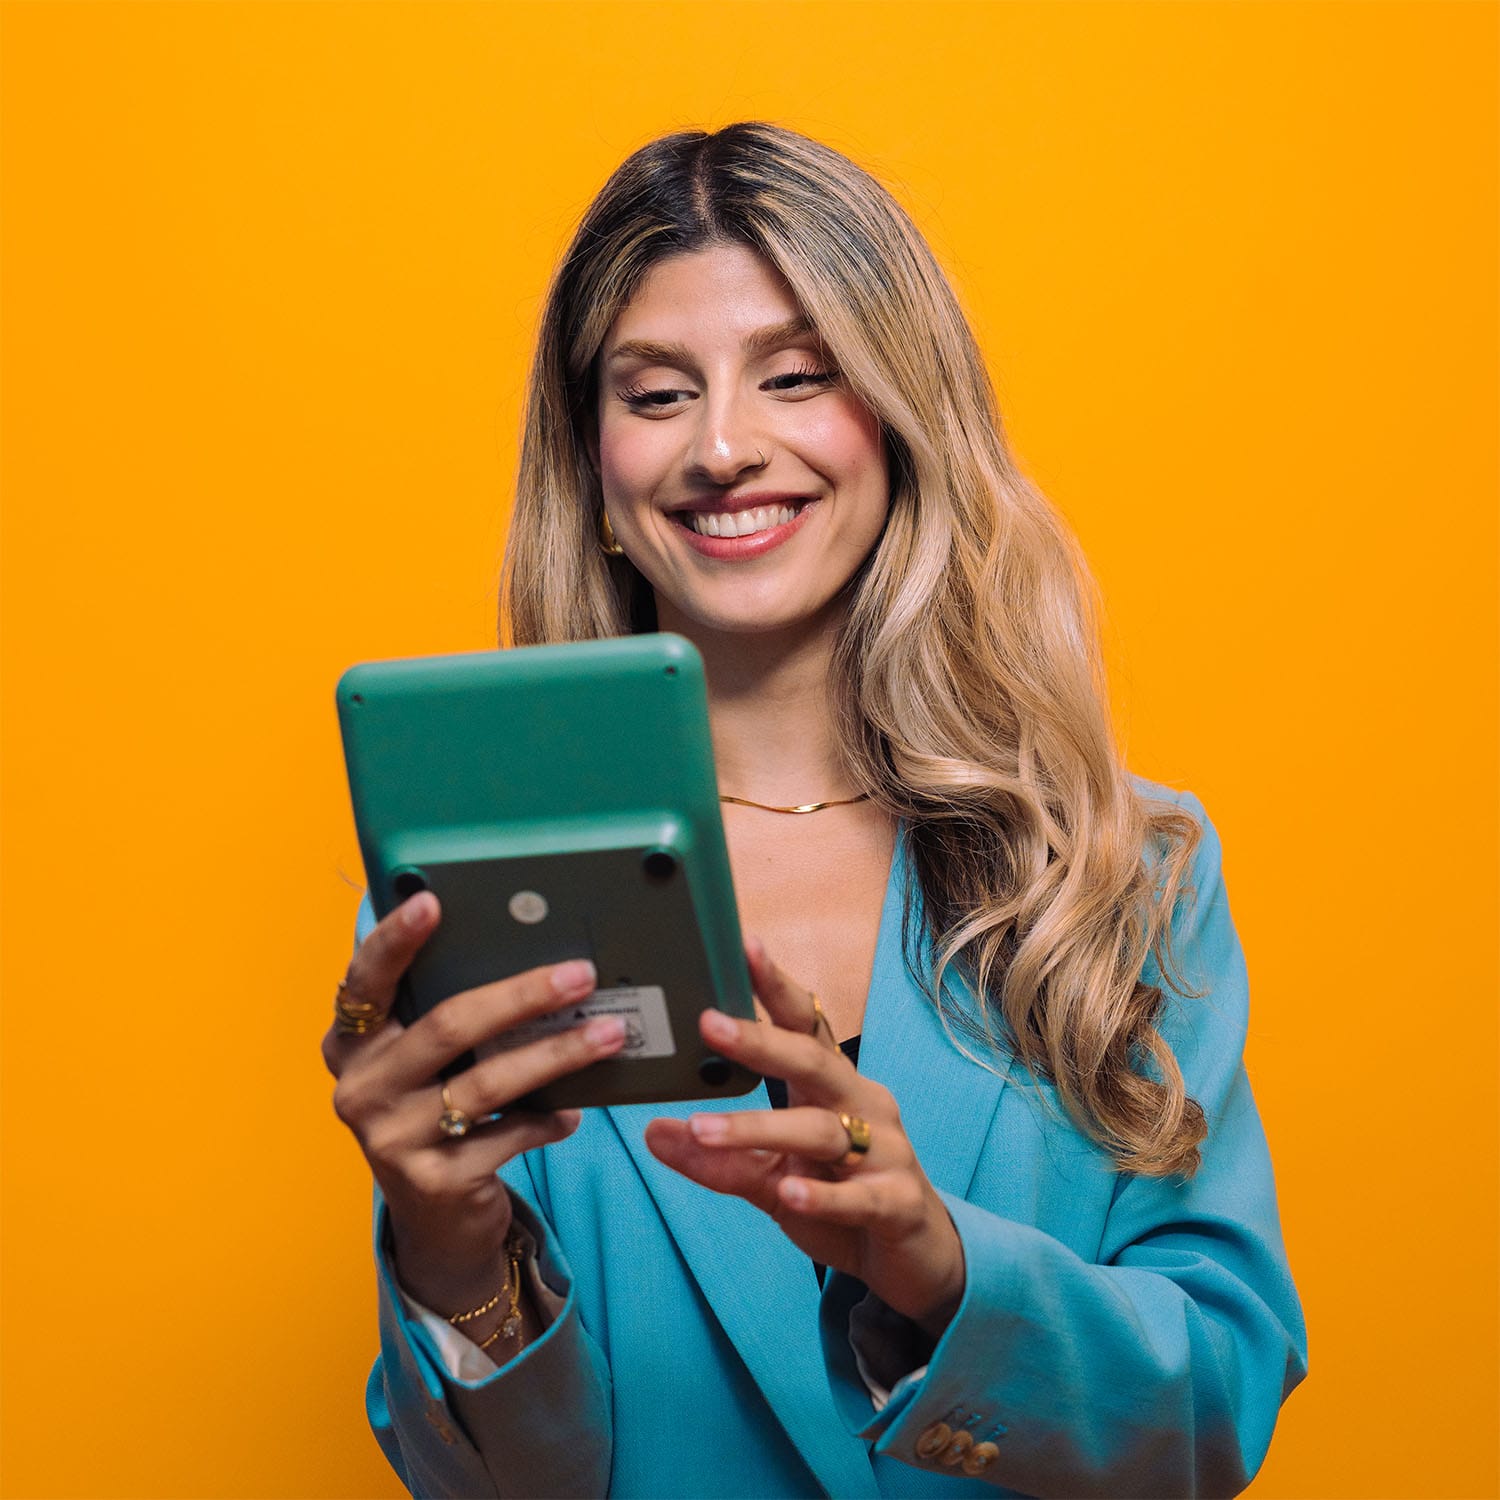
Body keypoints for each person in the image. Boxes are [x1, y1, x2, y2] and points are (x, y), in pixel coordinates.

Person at [322, 122, 1307, 1499]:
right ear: (594, 467)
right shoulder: (476, 907)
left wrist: (941, 1271)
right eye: (657, 394)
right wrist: (447, 1250)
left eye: (796, 377)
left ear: (903, 421)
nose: (724, 446)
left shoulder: (1115, 872)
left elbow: (1213, 1419)